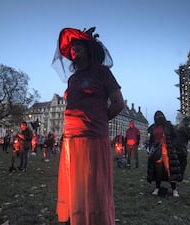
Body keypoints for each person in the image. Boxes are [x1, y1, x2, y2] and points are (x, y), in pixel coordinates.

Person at [52, 27, 124, 225]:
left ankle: (93, 219)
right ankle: (75, 216)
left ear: (88, 49)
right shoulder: (73, 79)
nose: (73, 51)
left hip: (92, 138)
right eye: (71, 48)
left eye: (78, 46)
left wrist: (98, 120)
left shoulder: (102, 72)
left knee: (92, 186)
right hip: (70, 139)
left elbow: (118, 103)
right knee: (74, 184)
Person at [147, 111, 182, 197]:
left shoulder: (168, 126)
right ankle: (157, 188)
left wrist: (172, 145)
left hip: (167, 151)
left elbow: (176, 137)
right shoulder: (153, 128)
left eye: (161, 115)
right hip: (157, 151)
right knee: (158, 171)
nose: (159, 117)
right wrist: (150, 147)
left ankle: (174, 189)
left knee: (170, 170)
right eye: (157, 116)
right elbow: (151, 140)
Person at [174, 116, 190, 183]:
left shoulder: (176, 128)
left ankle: (174, 177)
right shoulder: (186, 129)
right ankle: (179, 178)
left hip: (174, 149)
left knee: (175, 164)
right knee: (182, 164)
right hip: (181, 149)